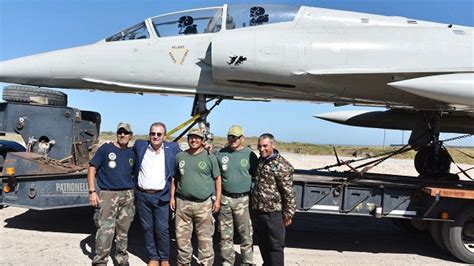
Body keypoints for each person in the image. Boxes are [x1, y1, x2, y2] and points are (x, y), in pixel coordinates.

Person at [170, 128, 222, 265]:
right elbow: (174, 179)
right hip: (182, 203)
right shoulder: (180, 157)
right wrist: (172, 197)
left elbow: (217, 178)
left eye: (197, 138)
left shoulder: (210, 157)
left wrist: (217, 200)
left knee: (205, 241)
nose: (194, 140)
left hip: (203, 205)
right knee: (182, 241)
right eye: (191, 137)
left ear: (202, 140)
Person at [87, 122, 136, 266]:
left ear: (130, 135)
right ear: (117, 134)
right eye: (120, 132)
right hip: (108, 194)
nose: (122, 135)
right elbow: (92, 168)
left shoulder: (132, 152)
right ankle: (100, 261)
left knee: (123, 231)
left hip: (127, 195)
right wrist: (92, 191)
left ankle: (121, 259)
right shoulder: (106, 149)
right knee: (105, 230)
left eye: (126, 133)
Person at [133, 122, 181, 266]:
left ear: (164, 136)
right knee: (147, 227)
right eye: (153, 133)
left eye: (159, 134)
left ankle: (164, 258)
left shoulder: (172, 148)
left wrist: (206, 149)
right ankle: (153, 257)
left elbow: (187, 158)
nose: (155, 136)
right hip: (142, 195)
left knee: (162, 229)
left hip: (162, 196)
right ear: (149, 135)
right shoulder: (140, 146)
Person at [251, 133, 296, 266]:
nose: (262, 149)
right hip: (259, 212)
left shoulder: (282, 165)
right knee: (263, 243)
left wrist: (288, 214)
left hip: (274, 214)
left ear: (273, 145)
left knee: (275, 247)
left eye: (265, 146)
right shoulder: (261, 161)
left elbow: (288, 192)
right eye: (259, 146)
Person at [215, 125, 257, 265]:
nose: (233, 139)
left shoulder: (250, 155)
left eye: (236, 137)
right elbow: (215, 176)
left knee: (246, 235)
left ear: (242, 138)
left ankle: (248, 262)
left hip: (243, 200)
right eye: (230, 136)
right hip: (225, 199)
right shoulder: (220, 154)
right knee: (225, 235)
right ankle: (227, 262)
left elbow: (256, 176)